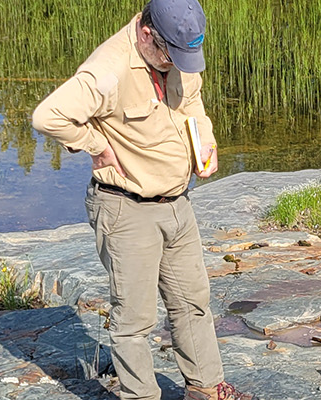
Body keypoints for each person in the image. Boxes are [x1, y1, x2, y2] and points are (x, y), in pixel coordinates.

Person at [29, 1, 250, 399]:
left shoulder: (175, 52)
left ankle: (205, 388)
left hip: (178, 204)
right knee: (134, 319)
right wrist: (95, 145)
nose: (177, 65)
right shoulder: (108, 70)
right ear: (147, 35)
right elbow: (48, 116)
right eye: (171, 56)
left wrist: (205, 142)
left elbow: (192, 102)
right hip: (126, 209)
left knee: (193, 301)